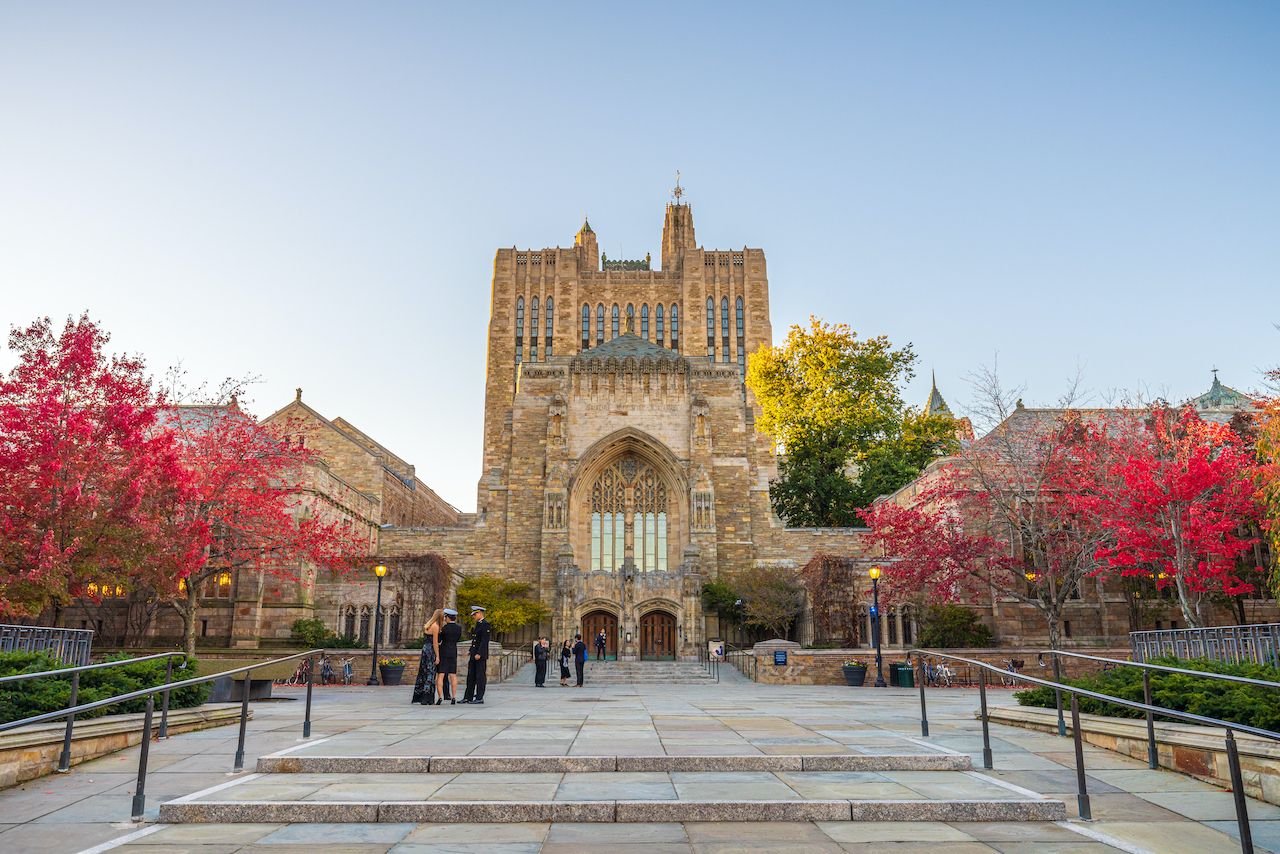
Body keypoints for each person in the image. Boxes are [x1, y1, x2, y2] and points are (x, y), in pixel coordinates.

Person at [459, 604, 491, 704]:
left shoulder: (485, 624)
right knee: (471, 676)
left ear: (480, 613)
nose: (473, 616)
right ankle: (468, 697)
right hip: (474, 654)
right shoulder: (478, 624)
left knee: (480, 676)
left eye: (474, 614)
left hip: (479, 655)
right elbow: (475, 640)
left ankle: (479, 697)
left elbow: (484, 641)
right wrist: (471, 650)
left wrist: (479, 653)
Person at [411, 609, 442, 705]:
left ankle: (420, 696)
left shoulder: (428, 625)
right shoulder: (435, 626)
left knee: (423, 672)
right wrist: (437, 656)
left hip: (425, 649)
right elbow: (435, 643)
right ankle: (427, 698)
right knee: (430, 672)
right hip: (431, 651)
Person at [435, 608, 462, 705]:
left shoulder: (444, 629)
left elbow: (439, 640)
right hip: (453, 651)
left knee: (441, 675)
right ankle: (454, 697)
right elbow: (457, 639)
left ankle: (440, 697)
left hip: (444, 652)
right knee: (453, 675)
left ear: (448, 617)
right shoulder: (459, 628)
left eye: (445, 617)